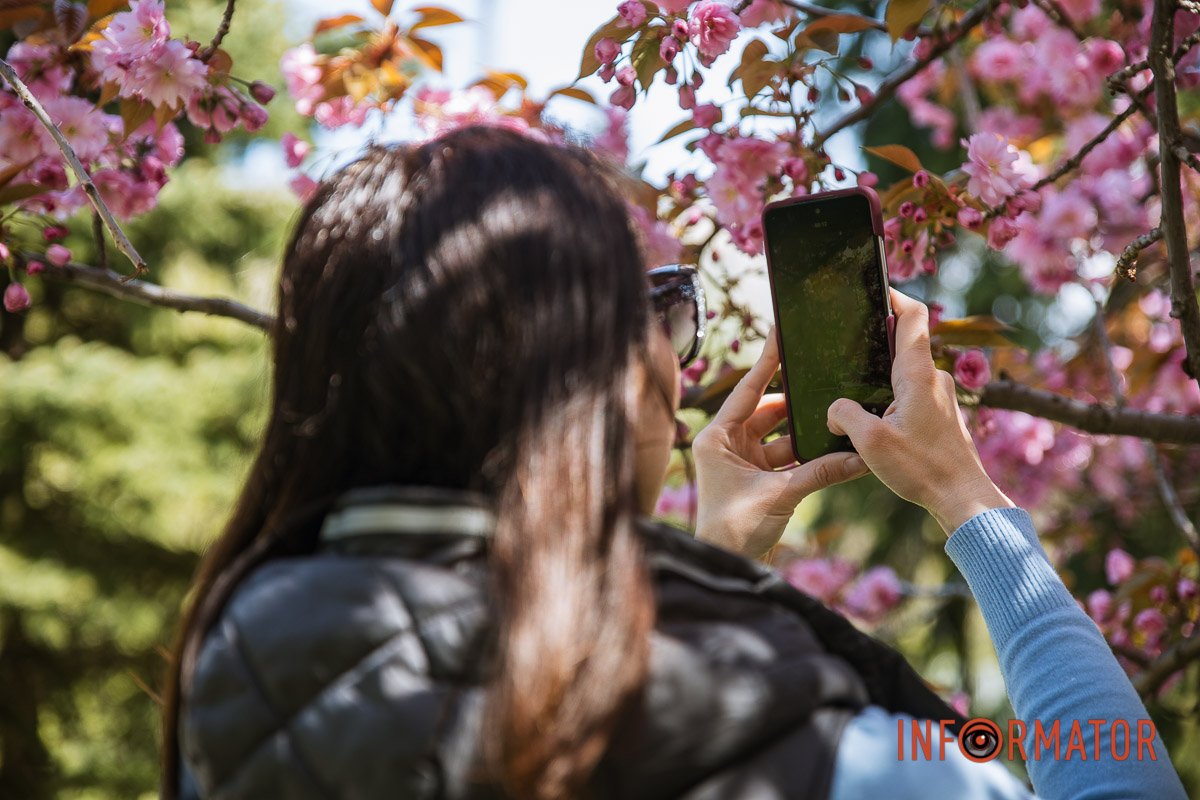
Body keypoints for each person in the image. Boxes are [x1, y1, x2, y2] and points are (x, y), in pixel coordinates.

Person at [162, 126, 1186, 800]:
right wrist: (970, 499)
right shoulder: (781, 734)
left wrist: (713, 567)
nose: (676, 354)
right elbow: (1107, 777)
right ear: (596, 368)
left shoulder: (237, 676)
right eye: (656, 304)